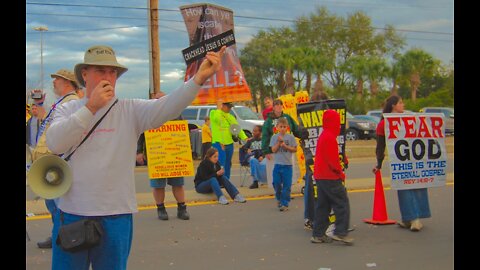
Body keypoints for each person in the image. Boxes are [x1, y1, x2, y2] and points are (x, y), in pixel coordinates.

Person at [45, 44, 226, 269]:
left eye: (113, 72)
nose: (108, 77)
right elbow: (55, 142)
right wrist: (91, 107)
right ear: (84, 74)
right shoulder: (69, 109)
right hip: (72, 212)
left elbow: (168, 106)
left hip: (116, 215)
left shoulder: (130, 110)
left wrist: (198, 79)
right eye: (100, 71)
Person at [32, 69, 81, 249]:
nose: (54, 83)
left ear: (68, 82)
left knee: (59, 206)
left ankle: (63, 237)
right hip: (50, 161)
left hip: (58, 161)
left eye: (57, 80)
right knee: (53, 205)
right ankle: (58, 235)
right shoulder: (62, 102)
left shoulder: (72, 103)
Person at [373, 95, 431, 232]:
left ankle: (413, 219)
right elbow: (380, 147)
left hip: (414, 160)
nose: (403, 105)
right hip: (401, 162)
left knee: (414, 186)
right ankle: (410, 219)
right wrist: (379, 164)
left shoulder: (409, 119)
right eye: (400, 102)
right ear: (393, 105)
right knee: (405, 188)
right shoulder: (385, 123)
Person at [136, 108, 190, 221]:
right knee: (158, 184)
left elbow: (184, 131)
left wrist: (185, 149)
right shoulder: (148, 113)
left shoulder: (176, 113)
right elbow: (140, 133)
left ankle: (182, 208)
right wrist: (139, 151)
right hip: (156, 154)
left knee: (178, 183)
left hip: (175, 154)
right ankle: (161, 208)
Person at [311, 109, 353, 245]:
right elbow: (333, 161)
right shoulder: (330, 138)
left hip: (320, 176)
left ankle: (318, 234)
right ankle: (340, 232)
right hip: (330, 176)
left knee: (323, 206)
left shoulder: (324, 135)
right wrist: (340, 173)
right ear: (333, 122)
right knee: (342, 203)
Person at [261, 99, 301, 188]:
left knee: (288, 171)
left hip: (288, 148)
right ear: (273, 107)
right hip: (275, 150)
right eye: (276, 105)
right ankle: (278, 190)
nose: (279, 106)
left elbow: (295, 129)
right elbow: (265, 136)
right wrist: (266, 151)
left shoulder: (287, 117)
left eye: (280, 105)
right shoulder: (269, 121)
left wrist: (302, 134)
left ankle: (287, 189)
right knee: (276, 172)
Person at [209, 99, 248, 180]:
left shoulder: (230, 116)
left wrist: (245, 138)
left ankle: (226, 180)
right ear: (222, 105)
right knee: (220, 163)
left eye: (231, 107)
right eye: (228, 106)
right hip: (218, 143)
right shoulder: (214, 113)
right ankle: (219, 180)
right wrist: (219, 108)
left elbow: (237, 128)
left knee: (227, 163)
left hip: (229, 143)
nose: (230, 109)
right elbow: (216, 119)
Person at [269, 117, 298, 211]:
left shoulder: (290, 137)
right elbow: (273, 150)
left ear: (287, 127)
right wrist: (278, 143)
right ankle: (279, 198)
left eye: (284, 127)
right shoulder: (274, 137)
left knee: (287, 185)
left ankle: (285, 204)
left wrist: (285, 146)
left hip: (287, 166)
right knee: (276, 183)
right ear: (277, 127)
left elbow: (295, 149)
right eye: (280, 126)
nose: (282, 128)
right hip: (277, 165)